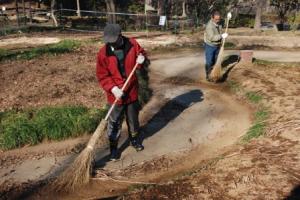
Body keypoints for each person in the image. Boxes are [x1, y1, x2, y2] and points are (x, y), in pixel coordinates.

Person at [96, 24, 147, 161]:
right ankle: (113, 148)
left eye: (113, 39)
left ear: (120, 35)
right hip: (115, 94)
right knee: (114, 122)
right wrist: (113, 88)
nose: (110, 42)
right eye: (108, 40)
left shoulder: (132, 44)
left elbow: (141, 54)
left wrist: (141, 60)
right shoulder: (103, 53)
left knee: (133, 118)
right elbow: (102, 75)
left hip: (131, 90)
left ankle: (134, 140)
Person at [204, 11, 228, 81]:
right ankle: (208, 76)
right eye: (216, 19)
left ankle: (214, 74)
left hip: (217, 45)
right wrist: (221, 36)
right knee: (209, 61)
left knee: (215, 60)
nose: (217, 21)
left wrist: (223, 37)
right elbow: (212, 37)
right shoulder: (209, 26)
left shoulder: (219, 24)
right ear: (212, 18)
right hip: (210, 46)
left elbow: (219, 32)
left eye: (219, 19)